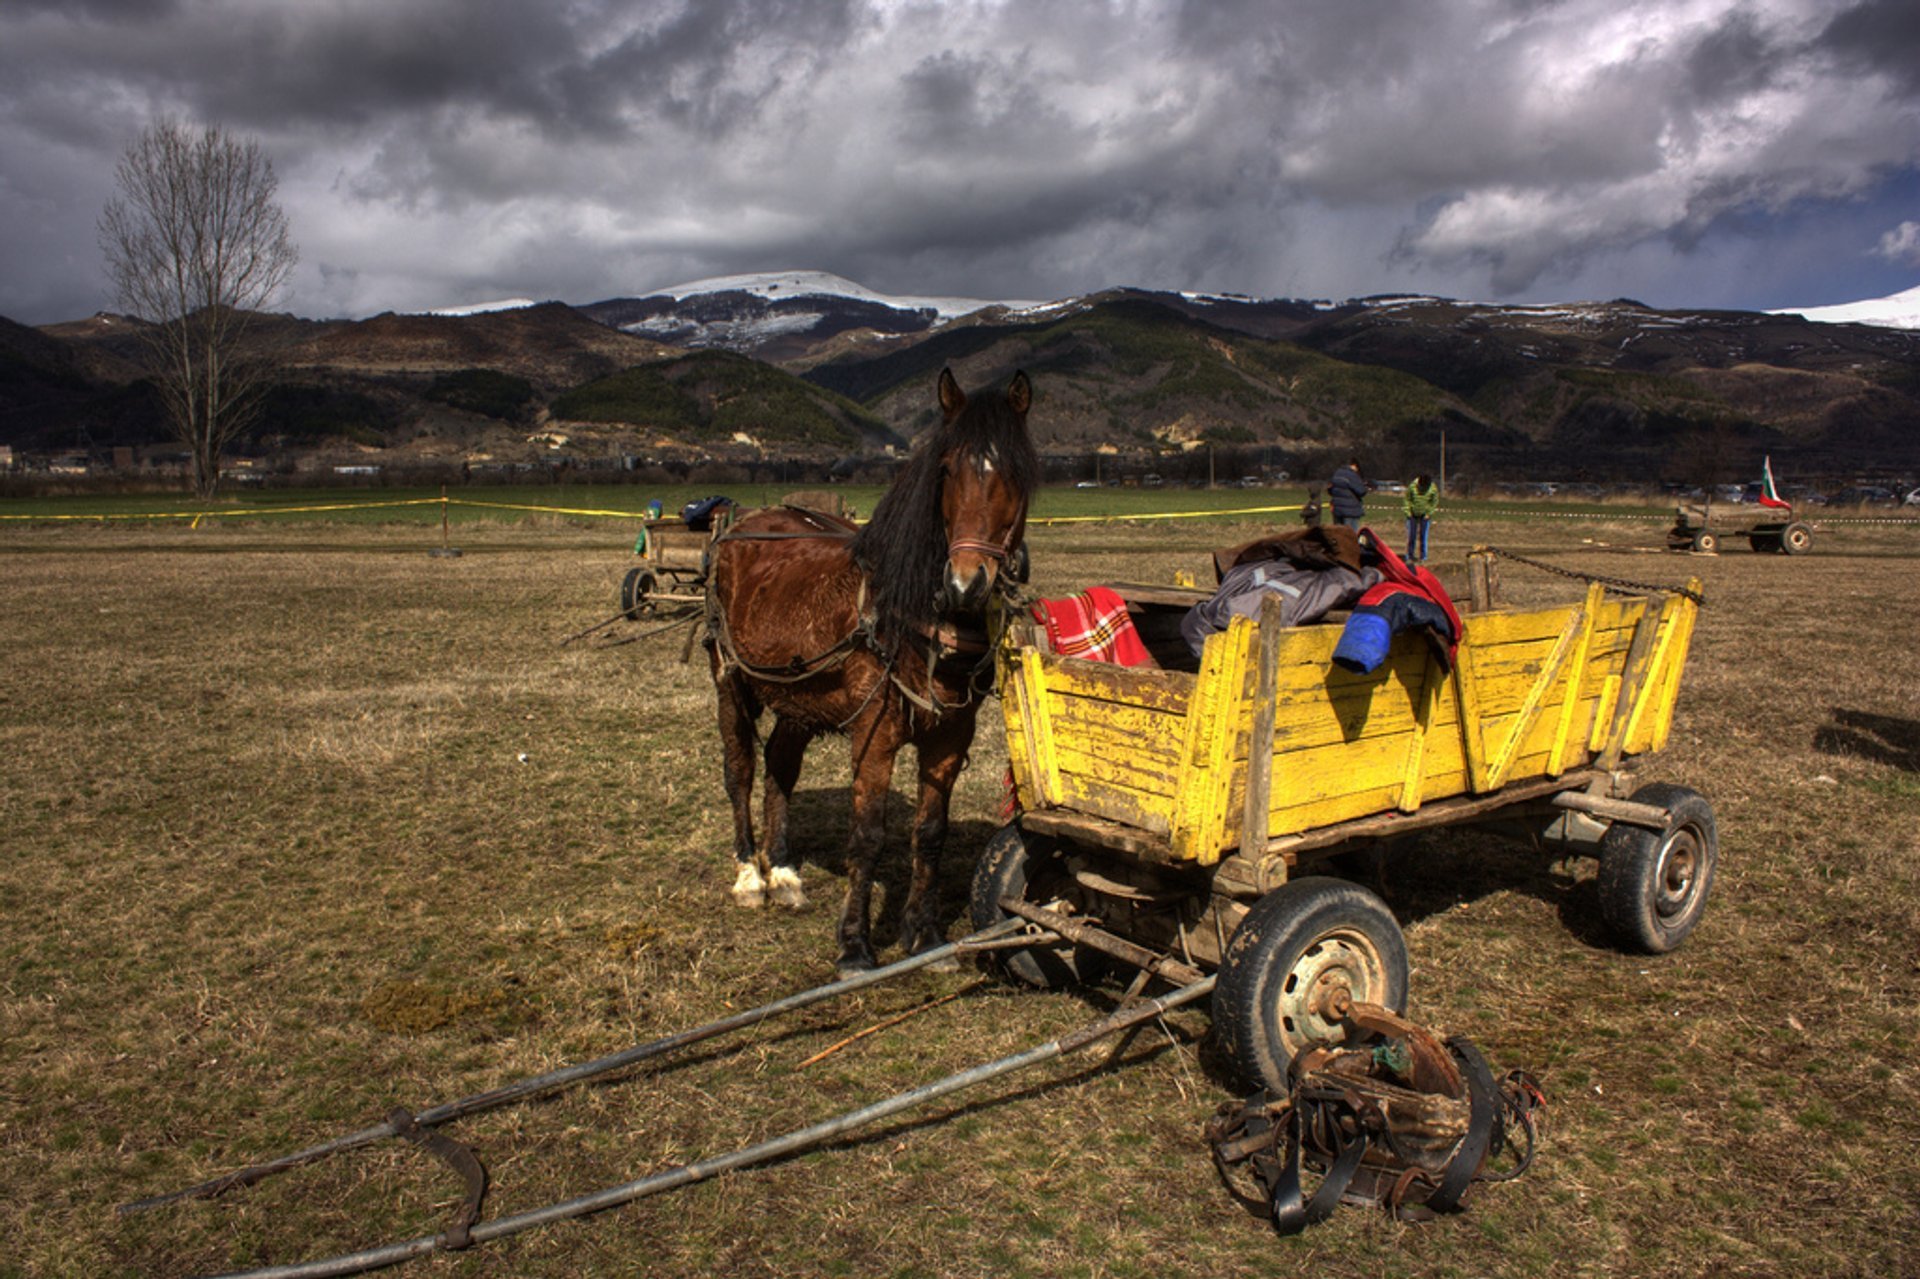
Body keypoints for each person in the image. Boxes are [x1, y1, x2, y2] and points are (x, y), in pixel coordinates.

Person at [1403, 473, 1439, 562]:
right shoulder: (1412, 487)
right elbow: (1407, 500)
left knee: (1423, 536)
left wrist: (1429, 513)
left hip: (1425, 515)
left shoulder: (1433, 488)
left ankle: (1423, 556)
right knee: (1411, 536)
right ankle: (1410, 555)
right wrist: (1408, 512)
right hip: (1412, 514)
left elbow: (1434, 502)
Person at [1329, 457, 1370, 530]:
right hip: (1351, 510)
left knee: (1339, 534)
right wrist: (1366, 487)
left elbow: (1331, 489)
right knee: (1350, 536)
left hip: (1338, 510)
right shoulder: (1352, 475)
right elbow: (1361, 491)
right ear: (1354, 465)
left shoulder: (1337, 473)